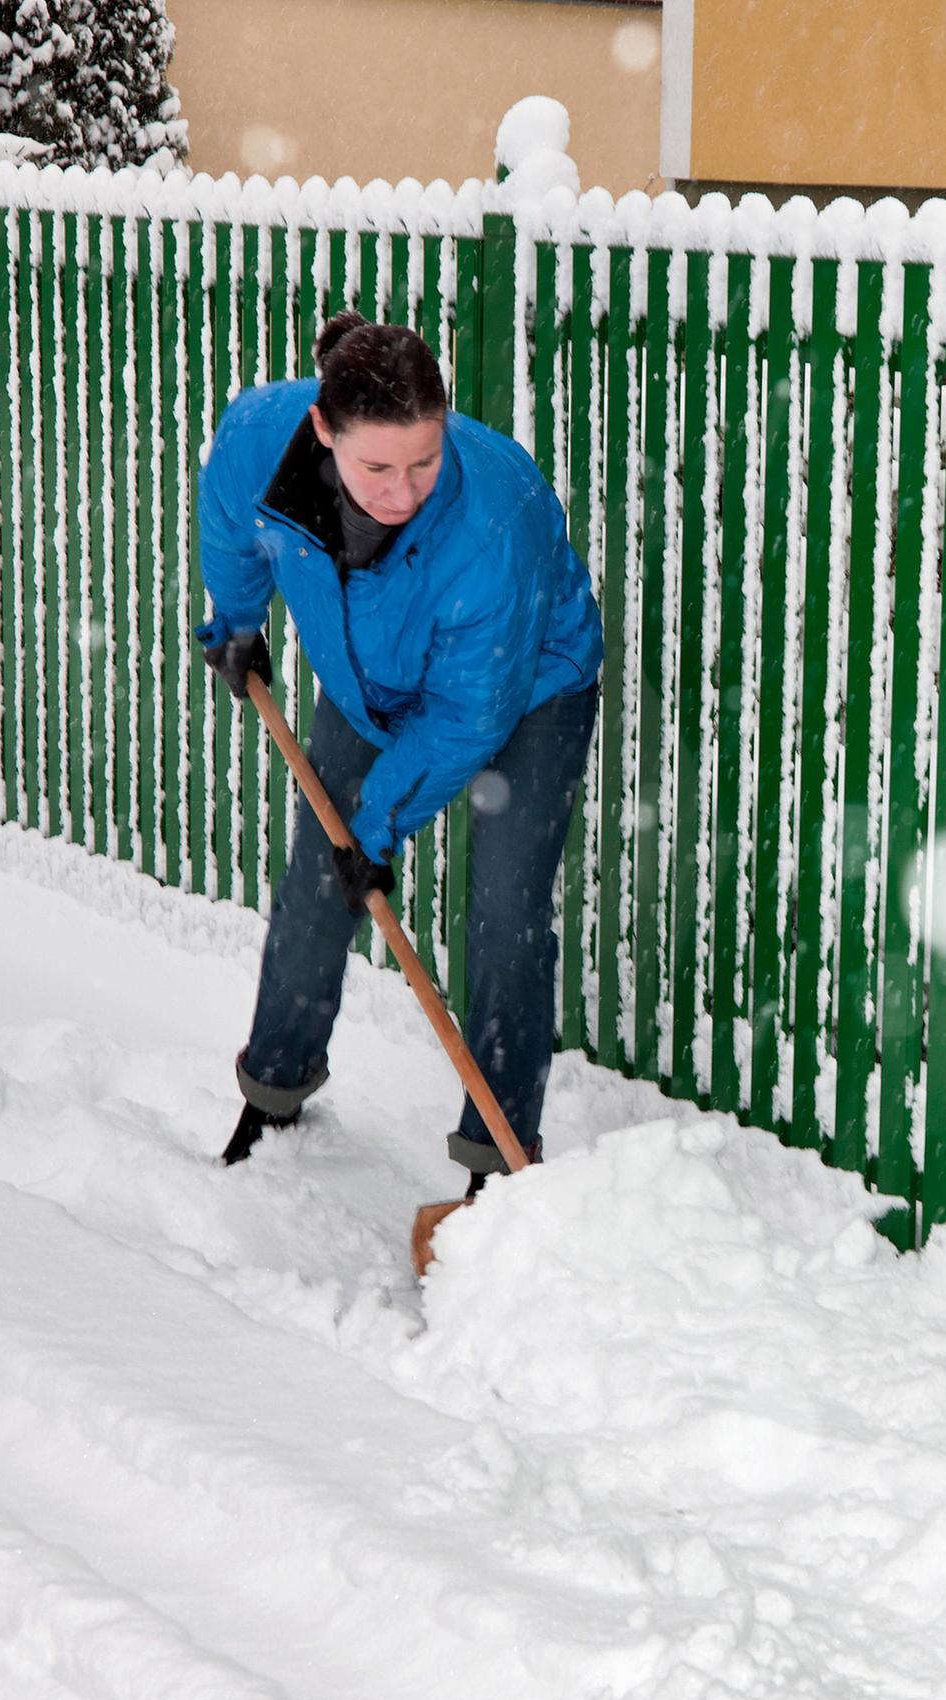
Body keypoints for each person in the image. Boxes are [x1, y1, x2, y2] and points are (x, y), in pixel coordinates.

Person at [196, 310, 601, 1200]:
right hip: (369, 678)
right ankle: (273, 1095)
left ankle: (499, 1166)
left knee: (503, 913)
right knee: (317, 881)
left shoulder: (496, 522)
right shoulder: (262, 440)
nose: (404, 490)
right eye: (376, 466)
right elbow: (231, 529)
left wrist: (378, 829)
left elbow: (467, 717)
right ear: (322, 432)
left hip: (527, 687)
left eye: (424, 460)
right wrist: (234, 624)